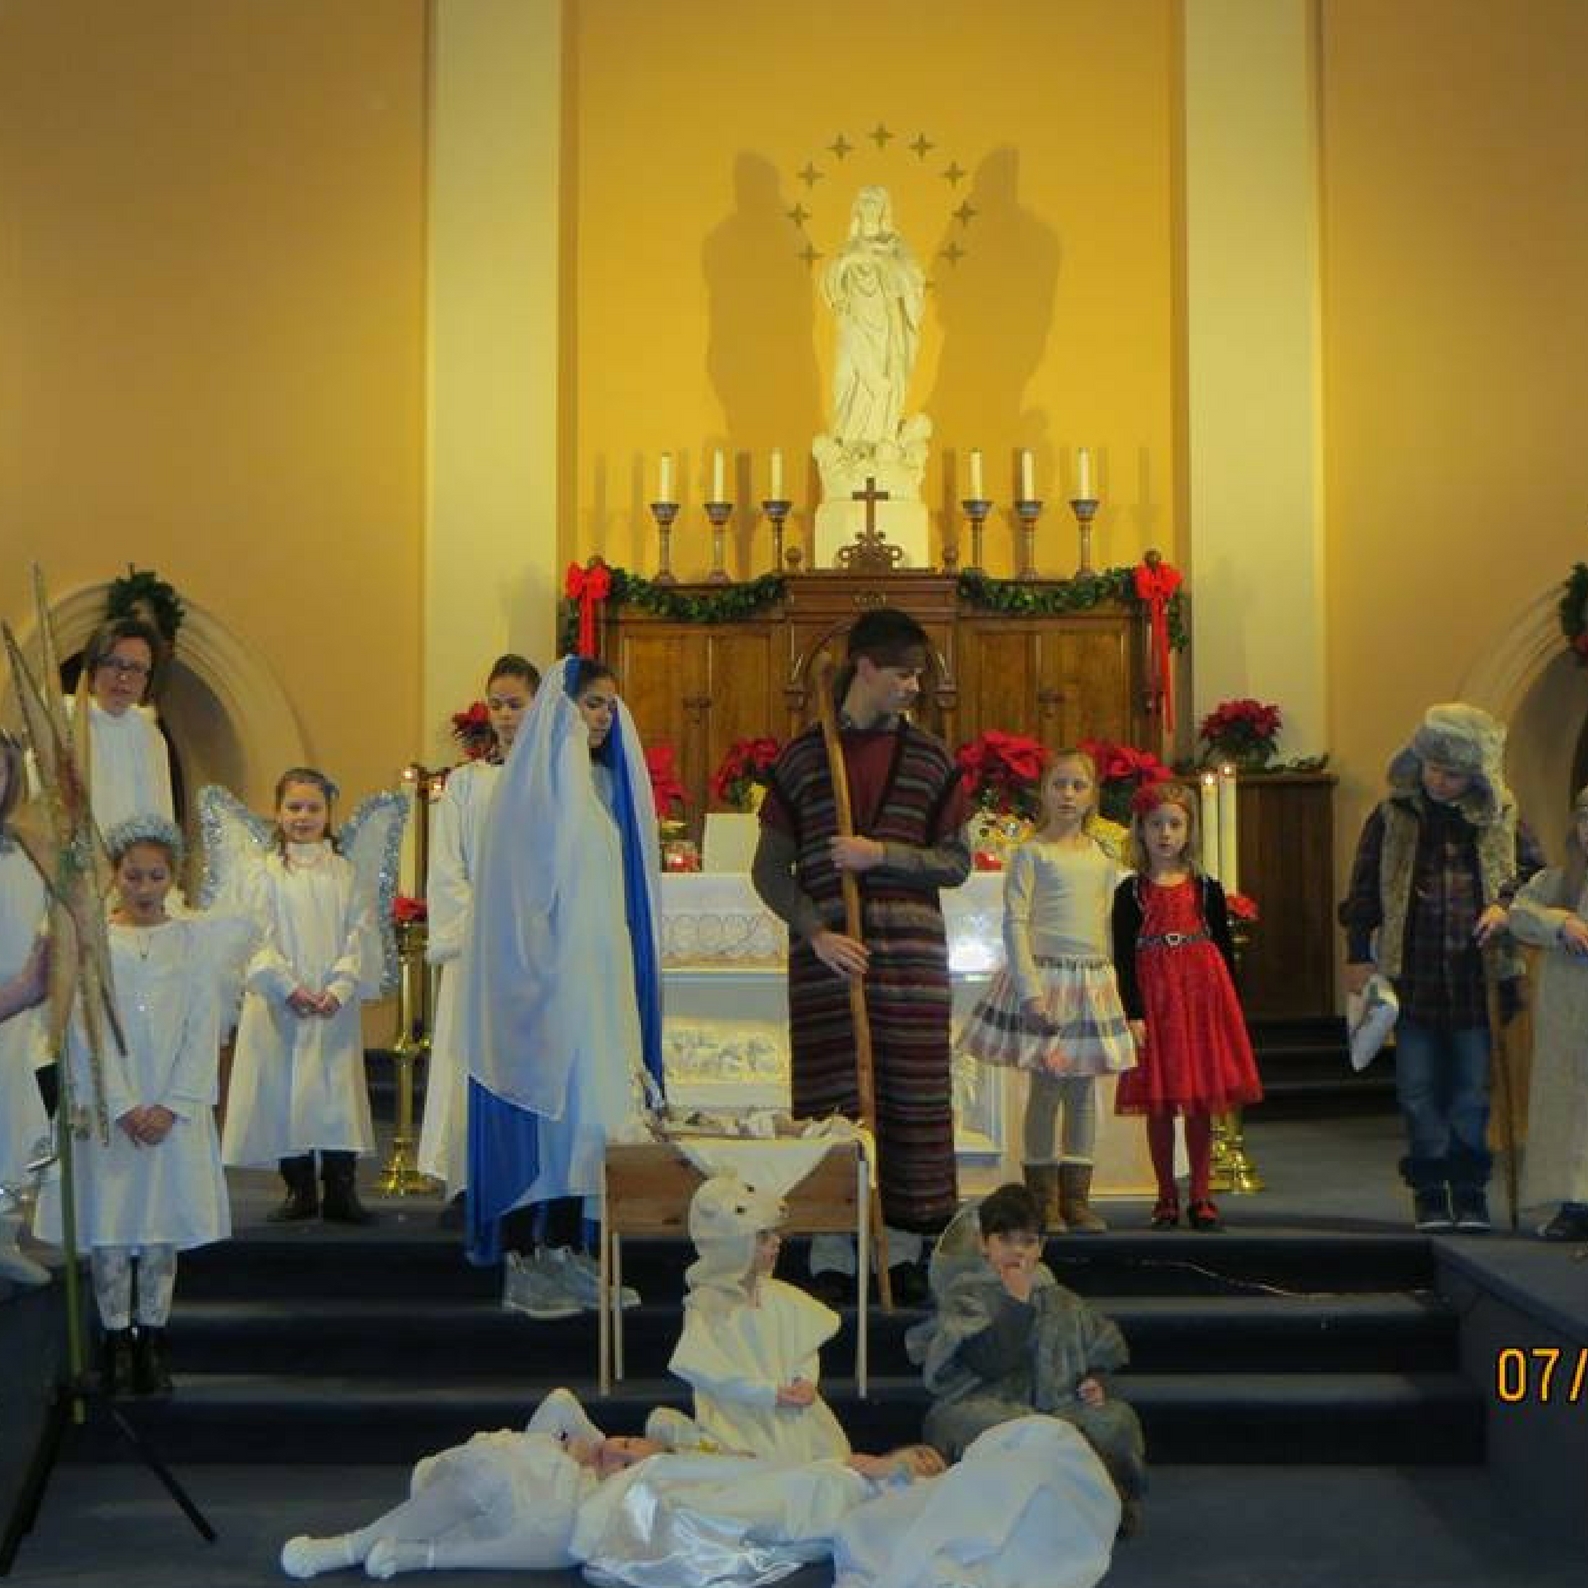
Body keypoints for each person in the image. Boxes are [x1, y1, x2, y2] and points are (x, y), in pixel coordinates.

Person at [751, 607, 970, 1303]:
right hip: (828, 967)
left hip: (910, 965)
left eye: (918, 676)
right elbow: (768, 870)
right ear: (866, 667)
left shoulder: (932, 759)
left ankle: (902, 1248)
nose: (914, 687)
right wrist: (816, 932)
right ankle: (833, 1250)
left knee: (910, 1102)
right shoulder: (804, 759)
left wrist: (881, 855)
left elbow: (956, 862)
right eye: (904, 674)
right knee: (831, 1103)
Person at [461, 656, 662, 1316]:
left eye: (610, 705)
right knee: (542, 1119)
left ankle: (567, 1250)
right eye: (592, 704)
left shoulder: (600, 788)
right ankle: (522, 1259)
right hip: (544, 988)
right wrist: (543, 979)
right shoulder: (529, 791)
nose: (603, 717)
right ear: (562, 708)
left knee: (588, 1119)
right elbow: (519, 898)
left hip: (595, 987)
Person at [278, 1385, 945, 1583]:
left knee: (561, 1533)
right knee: (487, 1477)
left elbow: (767, 1510)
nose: (917, 1467)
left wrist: (891, 1478)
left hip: (624, 1509)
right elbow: (567, 1408)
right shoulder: (823, 1457)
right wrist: (598, 1451)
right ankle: (354, 1545)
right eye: (917, 1457)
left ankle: (416, 1553)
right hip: (587, 1483)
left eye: (927, 1469)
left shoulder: (845, 1487)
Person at [32, 815, 243, 1394]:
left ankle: (152, 1335)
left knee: (158, 1230)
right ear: (115, 876)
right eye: (133, 876)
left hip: (170, 1107)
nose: (144, 888)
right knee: (113, 1224)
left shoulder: (193, 943)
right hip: (112, 1111)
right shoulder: (94, 941)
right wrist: (122, 1103)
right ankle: (115, 1339)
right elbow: (82, 1029)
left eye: (156, 876)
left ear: (173, 877)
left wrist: (173, 1104)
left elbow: (203, 1027)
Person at [1338, 703, 1542, 1232]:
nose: (1439, 781)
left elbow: (1533, 874)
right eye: (1432, 768)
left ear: (1474, 775)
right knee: (1417, 1089)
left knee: (1471, 1090)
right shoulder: (1394, 815)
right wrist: (1358, 953)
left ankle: (1469, 1189)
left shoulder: (1500, 816)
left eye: (1452, 774)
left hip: (1478, 976)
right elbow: (1364, 887)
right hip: (1413, 976)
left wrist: (1505, 905)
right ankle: (1431, 1188)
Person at [957, 749, 1135, 1233]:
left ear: (1093, 795)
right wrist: (1030, 991)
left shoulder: (1103, 858)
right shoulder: (1032, 853)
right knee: (1047, 1088)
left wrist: (1117, 989)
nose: (1068, 795)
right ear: (1043, 792)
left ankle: (1077, 1199)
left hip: (1091, 981)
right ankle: (1043, 1200)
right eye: (1059, 785)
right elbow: (1015, 923)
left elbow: (1108, 926)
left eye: (1078, 786)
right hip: (1047, 980)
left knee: (1083, 1091)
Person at [904, 1182, 1146, 1529]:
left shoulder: (1061, 1298)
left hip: (1058, 1408)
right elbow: (990, 1363)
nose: (1016, 1252)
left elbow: (1102, 1349)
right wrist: (1016, 1304)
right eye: (1005, 1240)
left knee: (1113, 1421)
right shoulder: (966, 1296)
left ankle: (1096, 1500)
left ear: (1041, 1247)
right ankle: (1045, 1506)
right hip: (982, 1405)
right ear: (984, 1243)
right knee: (1007, 1432)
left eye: (1028, 1242)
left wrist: (1095, 1381)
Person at [221, 767, 381, 1225]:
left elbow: (360, 932)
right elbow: (251, 934)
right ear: (277, 812)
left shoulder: (345, 873)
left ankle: (341, 1188)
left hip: (331, 1005)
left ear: (329, 814)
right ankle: (299, 1188)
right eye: (294, 807)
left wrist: (339, 986)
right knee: (282, 1091)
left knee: (335, 1094)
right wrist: (288, 987)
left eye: (313, 808)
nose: (303, 816)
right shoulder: (260, 872)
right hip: (279, 1004)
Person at [417, 655, 539, 1216]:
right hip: (476, 950)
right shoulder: (466, 785)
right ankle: (465, 1180)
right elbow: (447, 869)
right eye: (497, 705)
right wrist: (483, 930)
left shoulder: (554, 784)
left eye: (516, 704)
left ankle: (527, 1183)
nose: (506, 715)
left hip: (533, 953)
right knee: (467, 1057)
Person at [1111, 781, 1262, 1231]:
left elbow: (1224, 954)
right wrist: (1134, 1013)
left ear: (1189, 831)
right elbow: (1123, 958)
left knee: (1200, 1099)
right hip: (1156, 1000)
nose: (1165, 834)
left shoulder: (1207, 889)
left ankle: (1200, 1195)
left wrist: (1229, 1012)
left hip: (1200, 998)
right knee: (1159, 1100)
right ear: (1140, 830)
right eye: (1156, 824)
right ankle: (1165, 1197)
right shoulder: (1130, 892)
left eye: (1175, 824)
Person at [669, 1172, 850, 1465]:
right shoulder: (708, 1306)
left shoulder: (781, 1297)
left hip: (792, 1412)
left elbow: (803, 1347)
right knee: (757, 1465)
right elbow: (709, 1369)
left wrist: (805, 1380)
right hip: (739, 1417)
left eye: (774, 1234)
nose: (777, 1242)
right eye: (763, 1237)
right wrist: (767, 1393)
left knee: (819, 1461)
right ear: (733, 1245)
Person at [1507, 784, 1588, 1241]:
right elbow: (1519, 912)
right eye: (1586, 822)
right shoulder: (1559, 882)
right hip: (1566, 1010)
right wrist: (1561, 923)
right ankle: (1573, 1202)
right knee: (1565, 1104)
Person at [0, 733, 52, 1288]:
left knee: (13, 1120)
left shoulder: (25, 850)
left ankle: (3, 1234)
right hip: (8, 995)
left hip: (19, 1010)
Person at [822, 185, 925, 449]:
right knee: (846, 376)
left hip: (885, 324)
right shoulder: (848, 248)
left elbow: (913, 278)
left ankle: (879, 439)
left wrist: (879, 261)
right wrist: (850, 261)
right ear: (857, 207)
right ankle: (849, 440)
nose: (869, 206)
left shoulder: (895, 245)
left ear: (883, 209)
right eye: (865, 201)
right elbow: (830, 284)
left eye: (875, 201)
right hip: (854, 321)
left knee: (883, 376)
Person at [73, 617, 176, 832]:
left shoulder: (152, 738)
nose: (123, 677)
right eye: (113, 663)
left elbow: (163, 817)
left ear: (147, 679)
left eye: (136, 668)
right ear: (93, 668)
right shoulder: (67, 724)